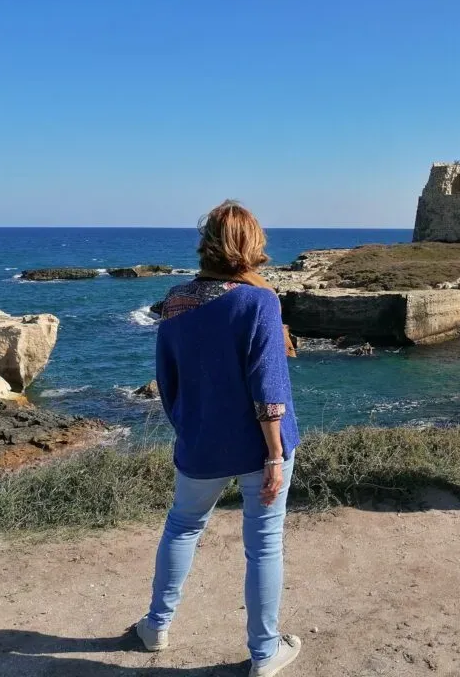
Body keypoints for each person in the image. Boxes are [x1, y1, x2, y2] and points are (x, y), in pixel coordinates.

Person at [136, 200, 303, 677]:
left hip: (202, 442)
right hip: (259, 448)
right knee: (265, 546)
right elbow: (268, 386)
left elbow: (167, 379)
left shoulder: (176, 300)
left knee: (182, 527)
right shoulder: (259, 301)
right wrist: (274, 454)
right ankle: (265, 653)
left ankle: (156, 627)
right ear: (252, 246)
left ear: (206, 243)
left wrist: (188, 426)